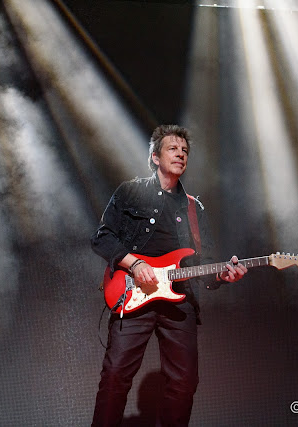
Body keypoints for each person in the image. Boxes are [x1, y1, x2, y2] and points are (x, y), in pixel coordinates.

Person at [90, 124, 247, 426]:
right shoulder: (130, 193)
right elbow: (102, 237)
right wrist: (134, 264)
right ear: (154, 157)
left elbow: (208, 263)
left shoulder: (194, 208)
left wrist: (223, 275)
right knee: (115, 376)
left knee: (184, 383)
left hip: (179, 302)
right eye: (173, 149)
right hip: (132, 295)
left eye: (185, 150)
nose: (180, 154)